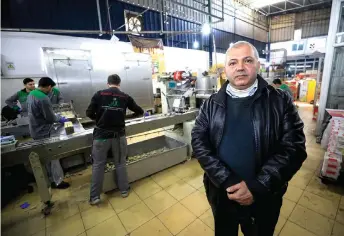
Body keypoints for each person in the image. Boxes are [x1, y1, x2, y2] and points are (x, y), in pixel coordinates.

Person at [191, 41, 307, 236]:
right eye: (233, 63)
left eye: (247, 60)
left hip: (264, 196)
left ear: (258, 65)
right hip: (222, 192)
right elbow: (198, 142)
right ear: (225, 69)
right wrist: (225, 179)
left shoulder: (280, 101)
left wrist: (258, 186)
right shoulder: (211, 104)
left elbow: (294, 148)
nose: (240, 68)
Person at [86, 74, 144, 205]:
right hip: (119, 136)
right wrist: (125, 118)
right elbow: (139, 111)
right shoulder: (125, 96)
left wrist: (100, 120)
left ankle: (95, 197)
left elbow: (88, 113)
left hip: (101, 137)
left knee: (98, 165)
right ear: (119, 83)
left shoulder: (99, 94)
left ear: (108, 83)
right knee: (120, 163)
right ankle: (124, 190)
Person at [27, 77, 70, 189]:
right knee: (54, 156)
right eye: (51, 88)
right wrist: (60, 119)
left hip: (35, 130)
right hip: (45, 131)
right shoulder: (43, 98)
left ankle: (50, 179)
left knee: (45, 157)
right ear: (49, 87)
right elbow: (50, 118)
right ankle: (58, 181)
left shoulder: (32, 94)